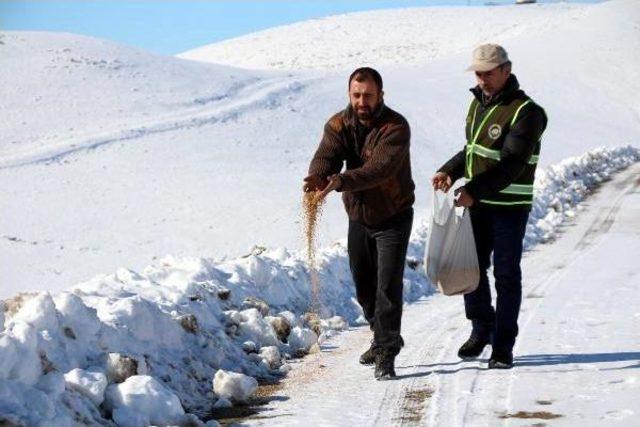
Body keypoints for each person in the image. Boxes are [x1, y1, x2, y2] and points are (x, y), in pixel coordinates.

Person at [432, 44, 547, 369]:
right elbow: (473, 149)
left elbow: (511, 164)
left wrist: (472, 190)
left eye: (488, 73)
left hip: (509, 207)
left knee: (506, 274)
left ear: (506, 70)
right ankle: (482, 326)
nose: (481, 79)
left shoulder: (527, 111)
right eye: (478, 73)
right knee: (472, 269)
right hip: (479, 204)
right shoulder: (478, 103)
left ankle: (503, 345)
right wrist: (450, 171)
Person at [303, 67, 415, 380]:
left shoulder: (395, 126)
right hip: (359, 217)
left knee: (387, 287)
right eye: (356, 95)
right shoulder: (339, 123)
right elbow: (326, 155)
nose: (361, 101)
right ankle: (382, 335)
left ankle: (386, 353)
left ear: (381, 95)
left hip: (393, 216)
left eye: (367, 95)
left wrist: (339, 181)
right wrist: (318, 176)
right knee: (364, 287)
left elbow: (378, 169)